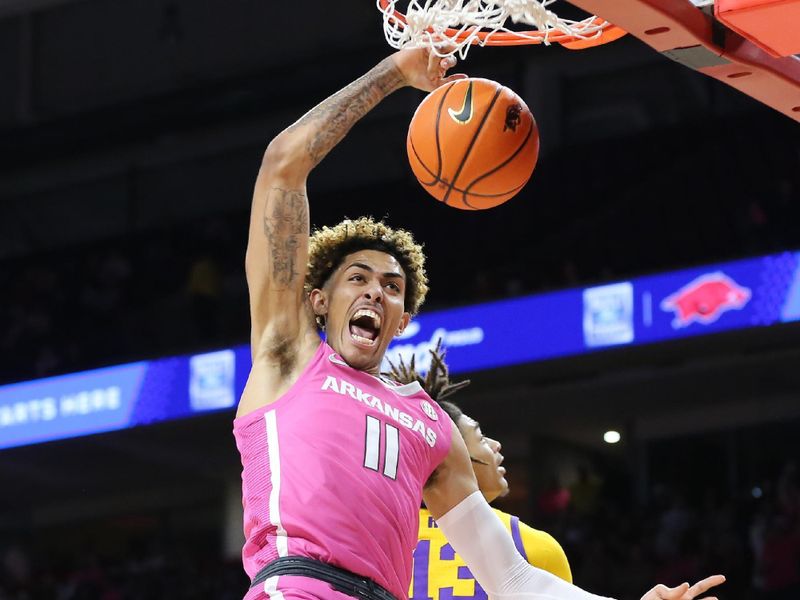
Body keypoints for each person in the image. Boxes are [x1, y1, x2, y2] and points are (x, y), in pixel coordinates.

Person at [234, 45, 725, 600]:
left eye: (392, 287)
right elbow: (283, 164)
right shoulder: (288, 355)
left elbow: (511, 577)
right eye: (358, 278)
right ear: (318, 300)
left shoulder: (430, 425)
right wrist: (394, 75)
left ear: (402, 320)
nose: (375, 290)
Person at [386, 346, 572, 599]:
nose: (496, 445)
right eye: (481, 437)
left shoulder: (373, 541)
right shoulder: (535, 548)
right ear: (450, 457)